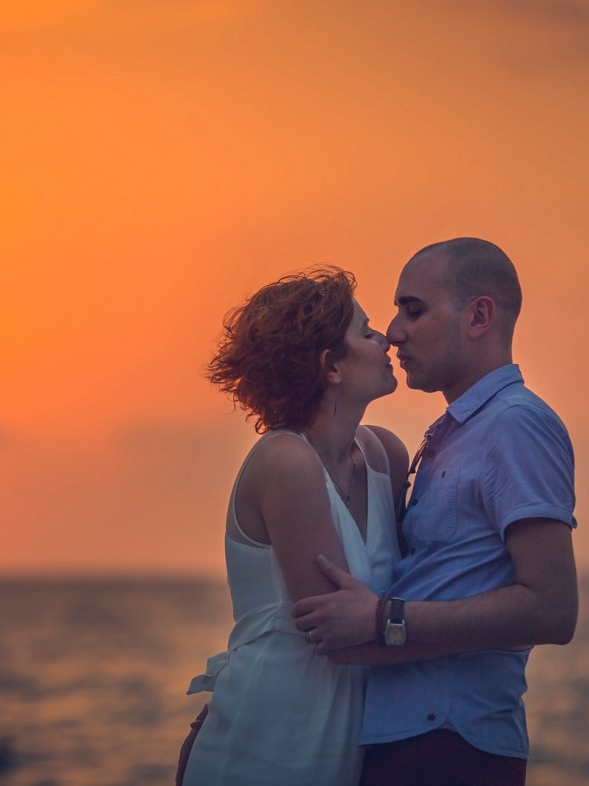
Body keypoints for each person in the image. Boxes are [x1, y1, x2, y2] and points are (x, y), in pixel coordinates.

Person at [291, 238, 578, 786]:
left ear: (479, 317)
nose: (394, 332)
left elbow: (553, 608)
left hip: (452, 745)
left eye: (414, 310)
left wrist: (381, 620)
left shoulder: (516, 424)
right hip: (407, 740)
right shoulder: (455, 434)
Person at [179, 267, 409, 786]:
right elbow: (342, 636)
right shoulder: (286, 462)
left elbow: (391, 604)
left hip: (347, 749)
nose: (386, 339)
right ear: (331, 366)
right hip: (266, 746)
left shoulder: (385, 455)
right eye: (365, 331)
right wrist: (494, 627)